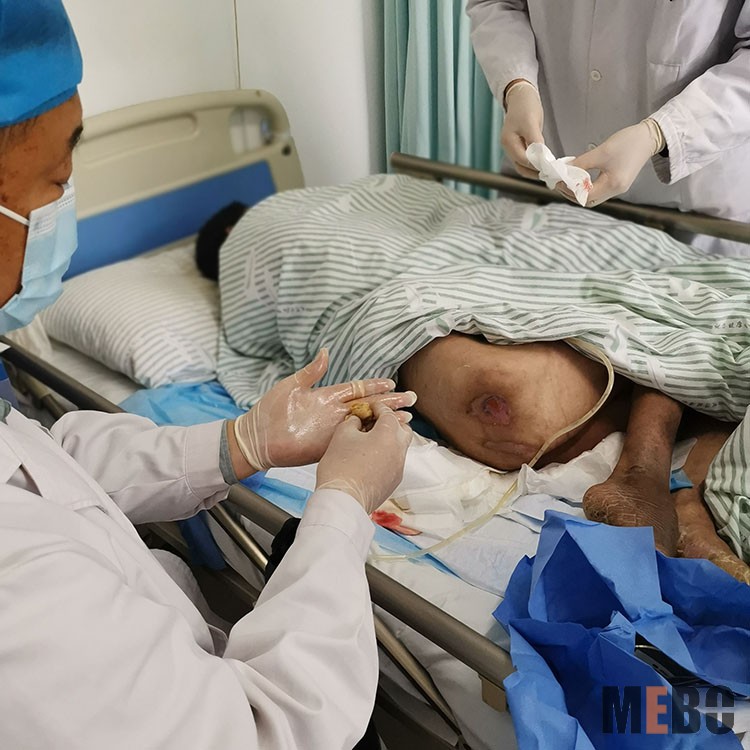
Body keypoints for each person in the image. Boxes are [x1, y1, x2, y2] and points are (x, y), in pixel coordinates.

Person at [0, 3, 417, 748]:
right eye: (56, 177)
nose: (67, 202)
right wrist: (344, 505)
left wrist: (242, 442)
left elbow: (47, 467)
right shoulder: (18, 595)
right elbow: (266, 730)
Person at [466, 0, 750, 256]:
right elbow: (497, 3)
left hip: (693, 217)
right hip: (541, 202)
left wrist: (658, 134)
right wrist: (517, 83)